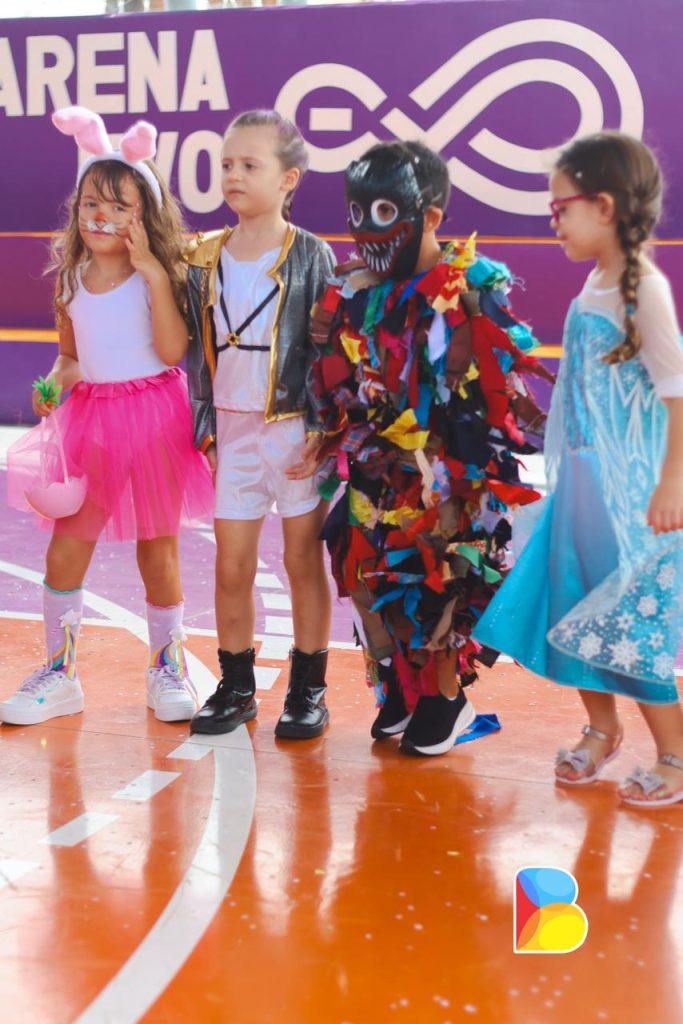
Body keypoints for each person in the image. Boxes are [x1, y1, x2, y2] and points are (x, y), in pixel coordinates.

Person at [309, 140, 548, 756]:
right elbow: (337, 374)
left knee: (438, 568)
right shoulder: (353, 290)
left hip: (447, 467)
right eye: (357, 213)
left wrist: (463, 473)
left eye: (384, 213)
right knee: (362, 558)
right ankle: (399, 683)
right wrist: (333, 425)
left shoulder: (466, 287)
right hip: (375, 459)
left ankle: (445, 694)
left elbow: (494, 389)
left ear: (431, 216)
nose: (366, 229)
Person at [474, 131, 683, 806]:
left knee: (627, 624)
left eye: (560, 208)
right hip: (584, 491)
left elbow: (676, 392)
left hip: (632, 497)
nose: (553, 221)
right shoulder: (595, 283)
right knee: (572, 607)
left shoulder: (643, 292)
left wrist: (672, 482)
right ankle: (601, 727)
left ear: (604, 206)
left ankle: (675, 754)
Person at [3, 106, 214, 726]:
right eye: (91, 202)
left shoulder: (157, 278)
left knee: (158, 552)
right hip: (92, 424)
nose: (100, 216)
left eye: (119, 207)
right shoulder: (70, 280)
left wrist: (153, 273)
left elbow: (172, 353)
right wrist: (54, 384)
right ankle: (60, 674)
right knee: (65, 551)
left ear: (145, 218)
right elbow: (72, 357)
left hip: (155, 421)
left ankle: (166, 668)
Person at [185, 109, 335, 739]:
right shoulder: (202, 257)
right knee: (231, 565)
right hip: (232, 430)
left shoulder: (313, 255)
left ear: (288, 178)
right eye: (227, 164)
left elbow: (329, 352)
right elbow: (195, 353)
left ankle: (308, 689)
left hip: (293, 431)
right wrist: (206, 429)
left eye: (250, 164)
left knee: (302, 559)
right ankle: (236, 686)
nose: (234, 175)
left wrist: (322, 430)